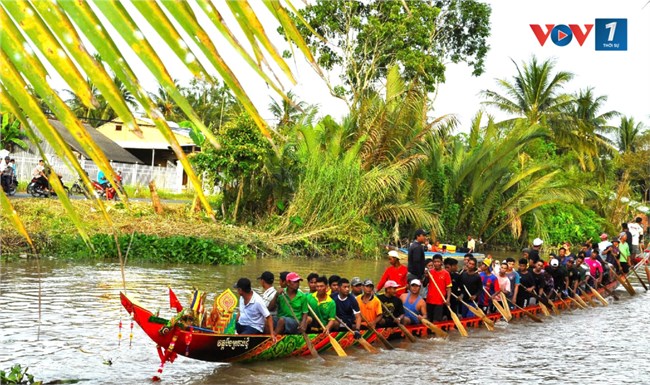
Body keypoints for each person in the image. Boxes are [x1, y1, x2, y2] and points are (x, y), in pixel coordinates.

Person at [425, 254, 451, 322]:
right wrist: (426, 276)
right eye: (435, 262)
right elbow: (425, 284)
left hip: (440, 301)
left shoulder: (446, 273)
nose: (436, 263)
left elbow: (448, 287)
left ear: (441, 262)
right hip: (429, 299)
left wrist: (448, 299)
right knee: (429, 319)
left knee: (436, 320)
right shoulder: (430, 272)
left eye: (438, 262)